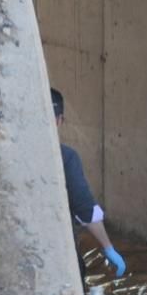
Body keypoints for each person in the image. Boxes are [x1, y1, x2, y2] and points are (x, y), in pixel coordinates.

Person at [51, 88, 126, 282]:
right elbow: (85, 209)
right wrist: (108, 247)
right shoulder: (65, 158)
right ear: (59, 120)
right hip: (56, 257)